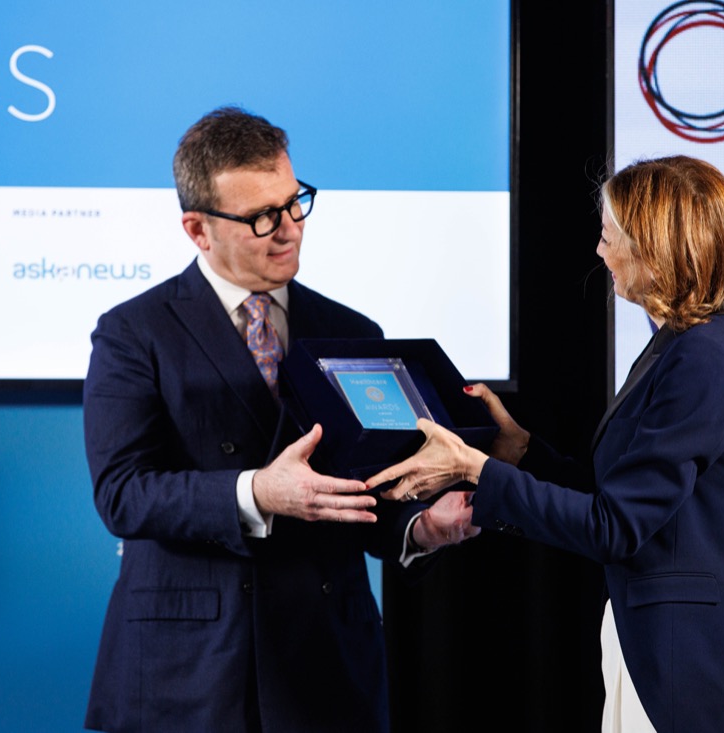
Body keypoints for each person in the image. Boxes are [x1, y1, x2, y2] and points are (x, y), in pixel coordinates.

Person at [82, 105, 478, 733]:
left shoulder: (352, 331)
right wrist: (259, 492)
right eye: (261, 217)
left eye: (295, 204)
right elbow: (123, 494)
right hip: (190, 668)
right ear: (197, 229)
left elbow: (370, 492)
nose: (288, 229)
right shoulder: (134, 332)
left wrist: (422, 526)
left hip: (324, 661)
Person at [367, 156, 724, 732]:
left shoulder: (701, 358)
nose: (599, 252)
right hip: (656, 652)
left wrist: (474, 470)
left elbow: (614, 526)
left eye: (608, 238)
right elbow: (616, 495)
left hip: (690, 672)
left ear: (655, 250)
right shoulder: (685, 345)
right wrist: (520, 452)